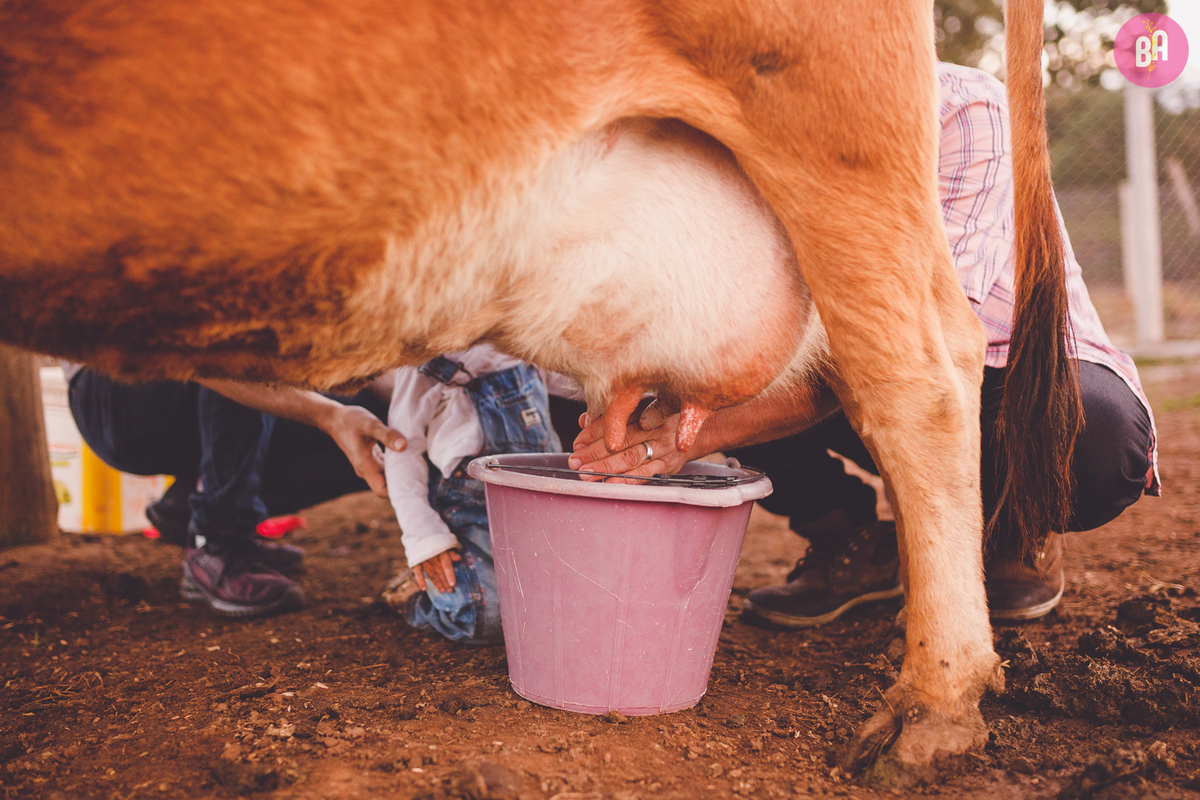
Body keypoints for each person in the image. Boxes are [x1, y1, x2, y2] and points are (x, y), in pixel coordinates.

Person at [566, 62, 1160, 626]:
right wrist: (654, 388)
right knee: (718, 360)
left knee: (1090, 437)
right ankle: (850, 538)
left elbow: (917, 338)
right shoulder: (740, 136)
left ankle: (1014, 526)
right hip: (839, 370)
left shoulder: (965, 110)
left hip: (991, 372)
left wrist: (697, 434)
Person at [66, 365, 406, 617]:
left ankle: (193, 506)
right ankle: (216, 537)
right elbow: (210, 356)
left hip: (198, 376)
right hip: (117, 386)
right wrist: (329, 415)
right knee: (243, 347)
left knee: (374, 420)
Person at [380, 345, 560, 643]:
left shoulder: (533, 341)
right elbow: (402, 450)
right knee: (484, 616)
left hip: (540, 498)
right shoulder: (425, 363)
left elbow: (580, 377)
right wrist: (425, 538)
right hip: (471, 504)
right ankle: (419, 596)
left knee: (565, 599)